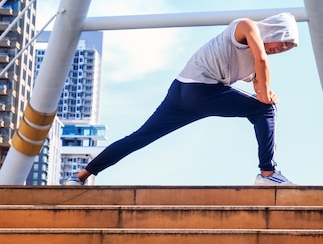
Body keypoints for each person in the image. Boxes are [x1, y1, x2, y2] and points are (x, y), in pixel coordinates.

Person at [66, 12, 298, 186]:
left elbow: (260, 88)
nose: (281, 48)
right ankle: (268, 174)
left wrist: (267, 94)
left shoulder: (253, 64)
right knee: (265, 111)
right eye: (283, 41)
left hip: (182, 92)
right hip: (200, 91)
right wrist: (266, 98)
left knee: (140, 137)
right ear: (274, 30)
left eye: (287, 48)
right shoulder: (246, 26)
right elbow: (262, 64)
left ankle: (81, 176)